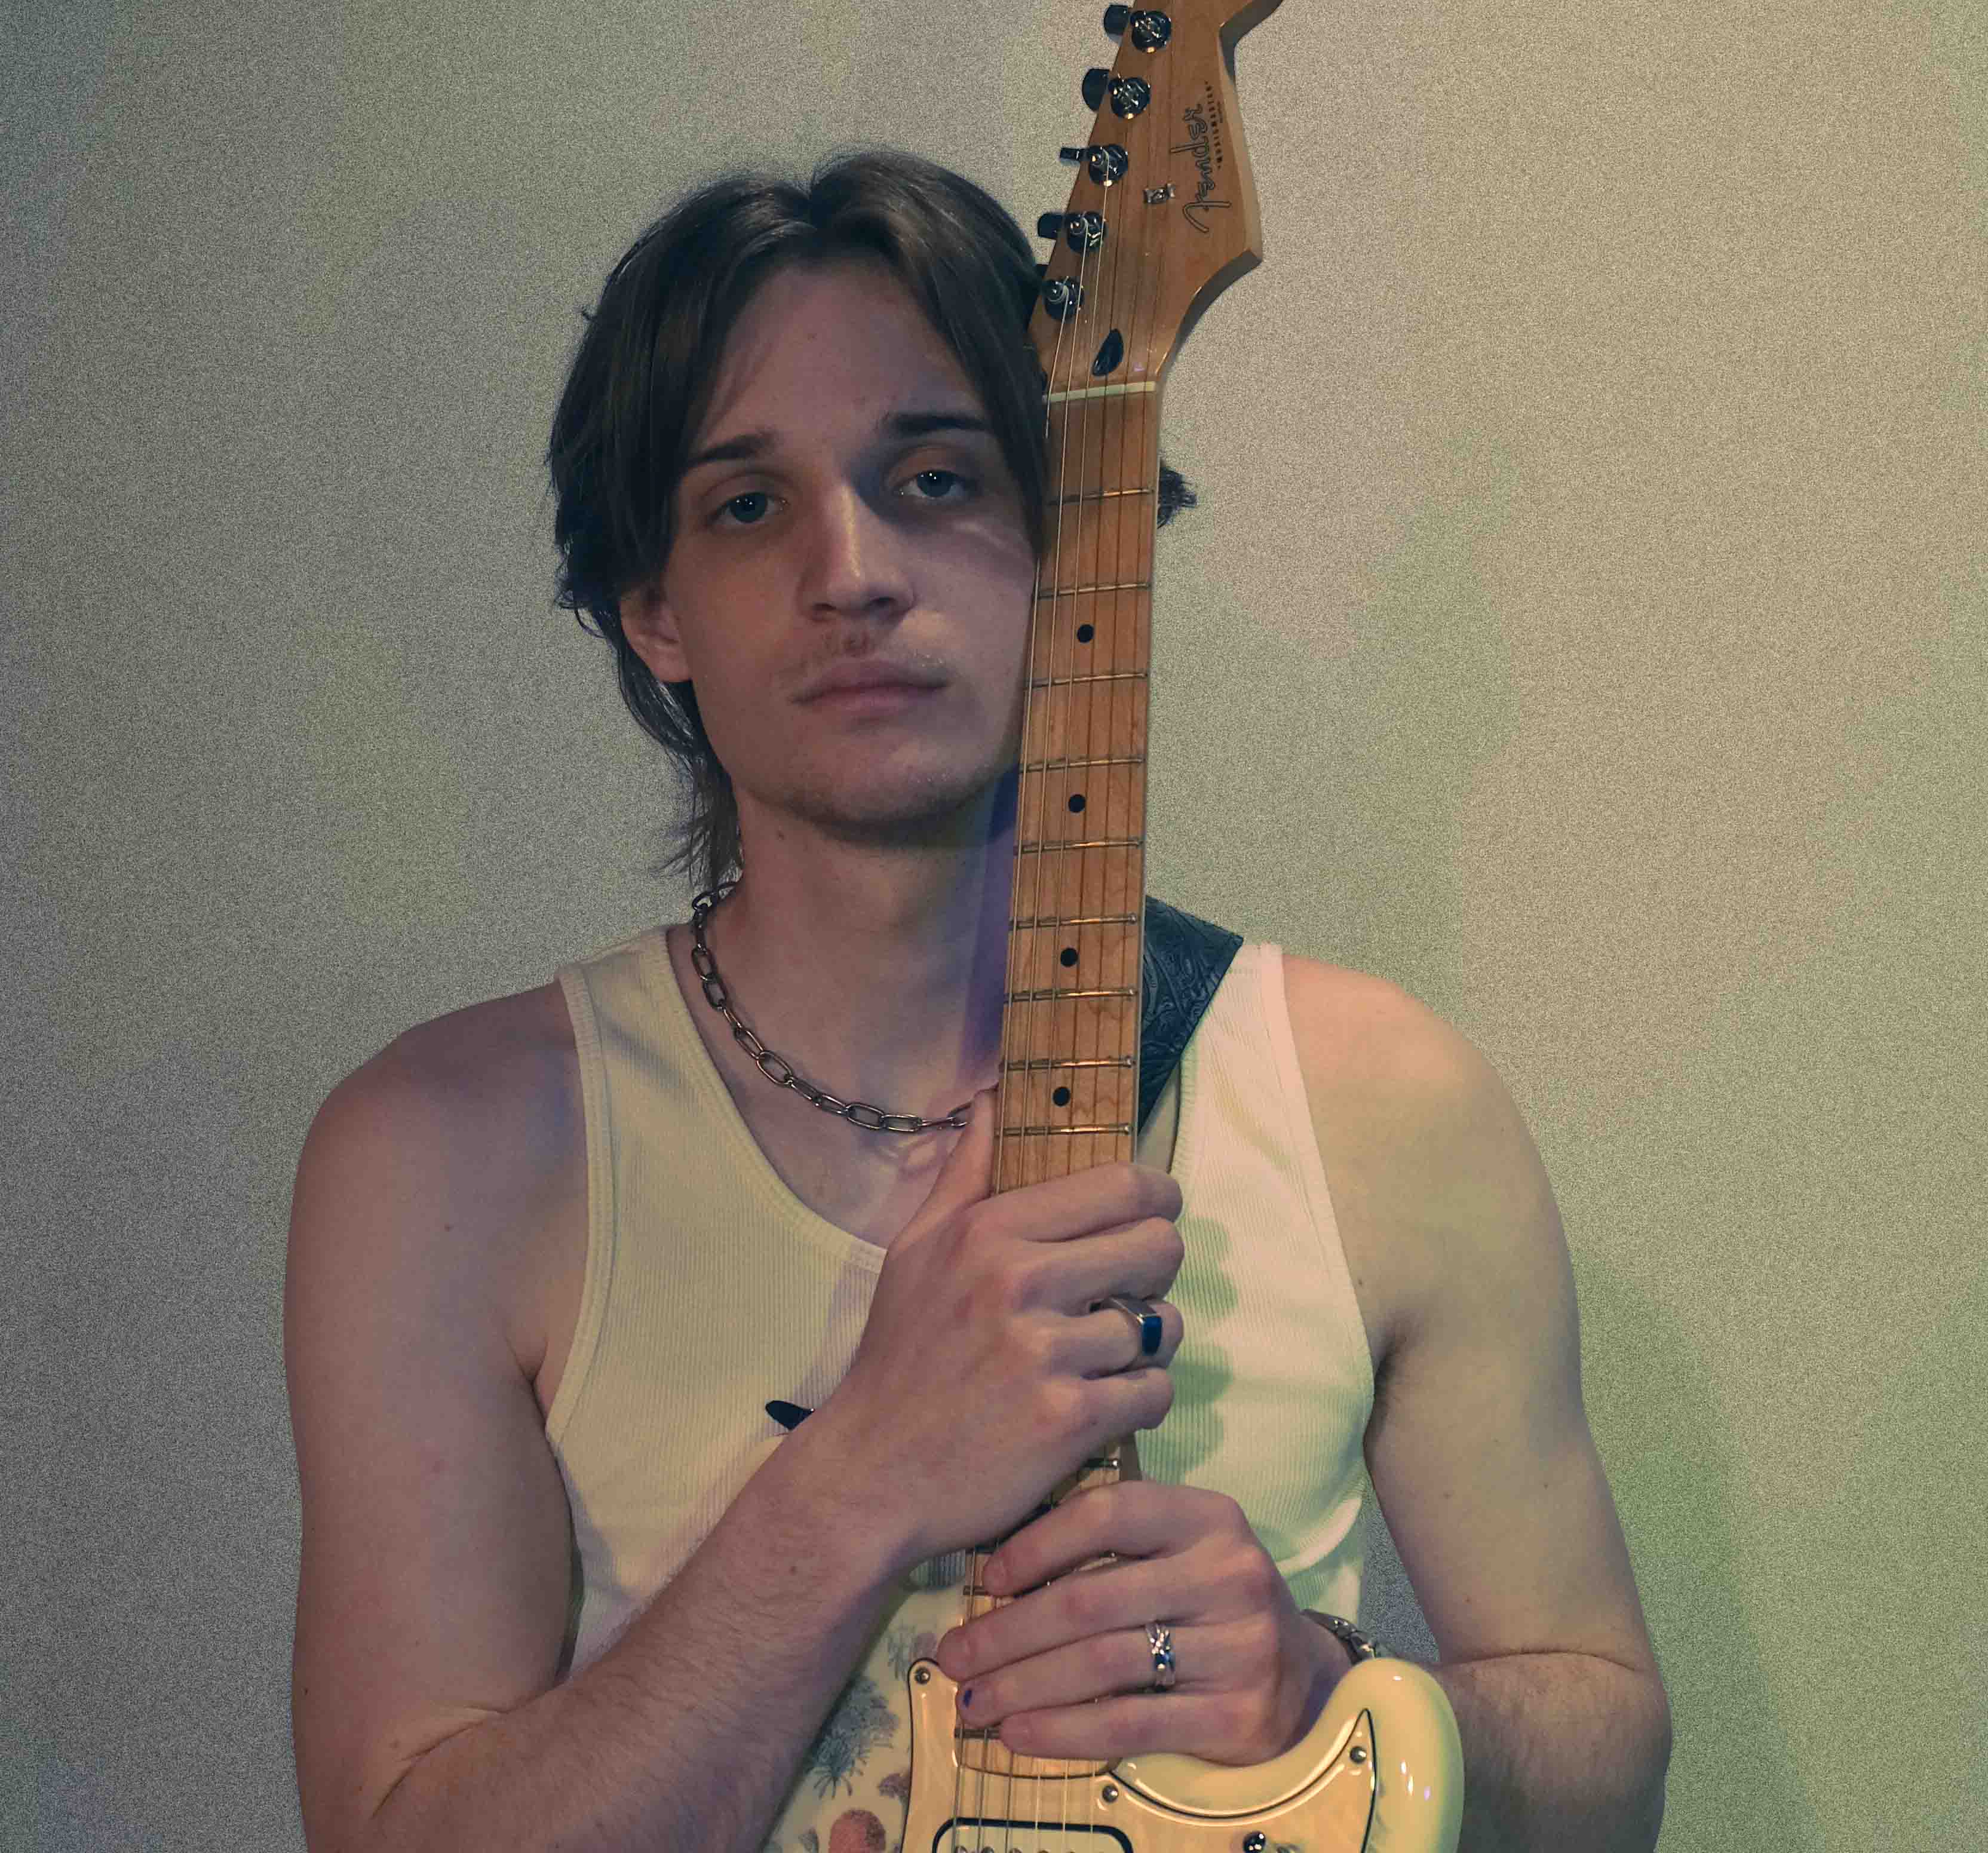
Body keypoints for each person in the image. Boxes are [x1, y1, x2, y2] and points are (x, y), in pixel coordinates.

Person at [283, 148, 1672, 1853]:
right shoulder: (441, 1161)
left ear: (1079, 543)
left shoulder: (1380, 1102)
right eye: (747, 506)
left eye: (935, 479)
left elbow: (1611, 1770)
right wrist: (863, 1471)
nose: (852, 570)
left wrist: (1337, 1700)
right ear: (655, 611)